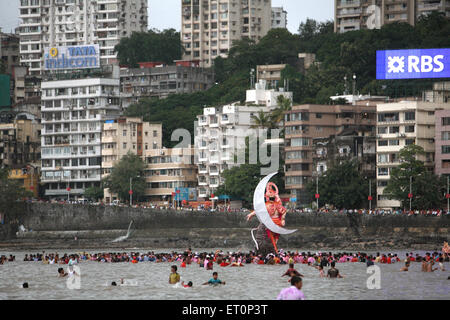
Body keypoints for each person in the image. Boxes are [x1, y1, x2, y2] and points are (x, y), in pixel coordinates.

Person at [246, 181, 287, 253]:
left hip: (271, 223)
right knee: (272, 237)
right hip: (275, 223)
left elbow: (258, 210)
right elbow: (284, 211)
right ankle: (274, 249)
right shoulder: (276, 204)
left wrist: (251, 215)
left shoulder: (269, 205)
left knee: (270, 237)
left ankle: (274, 249)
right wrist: (283, 219)